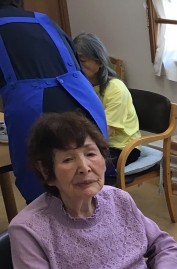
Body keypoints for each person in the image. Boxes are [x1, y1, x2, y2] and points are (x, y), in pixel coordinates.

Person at [7, 111, 177, 269]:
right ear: (46, 171)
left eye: (91, 154)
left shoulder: (118, 199)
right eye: (68, 159)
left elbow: (163, 245)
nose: (84, 168)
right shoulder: (29, 229)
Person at [0, 0, 107, 203]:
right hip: (83, 98)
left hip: (33, 107)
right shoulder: (44, 20)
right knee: (92, 178)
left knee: (45, 193)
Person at [73, 32, 141, 176]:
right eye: (75, 60)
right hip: (96, 142)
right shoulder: (82, 87)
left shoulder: (115, 88)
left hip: (123, 147)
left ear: (99, 62)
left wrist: (76, 146)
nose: (77, 66)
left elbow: (106, 130)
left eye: (82, 60)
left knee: (81, 166)